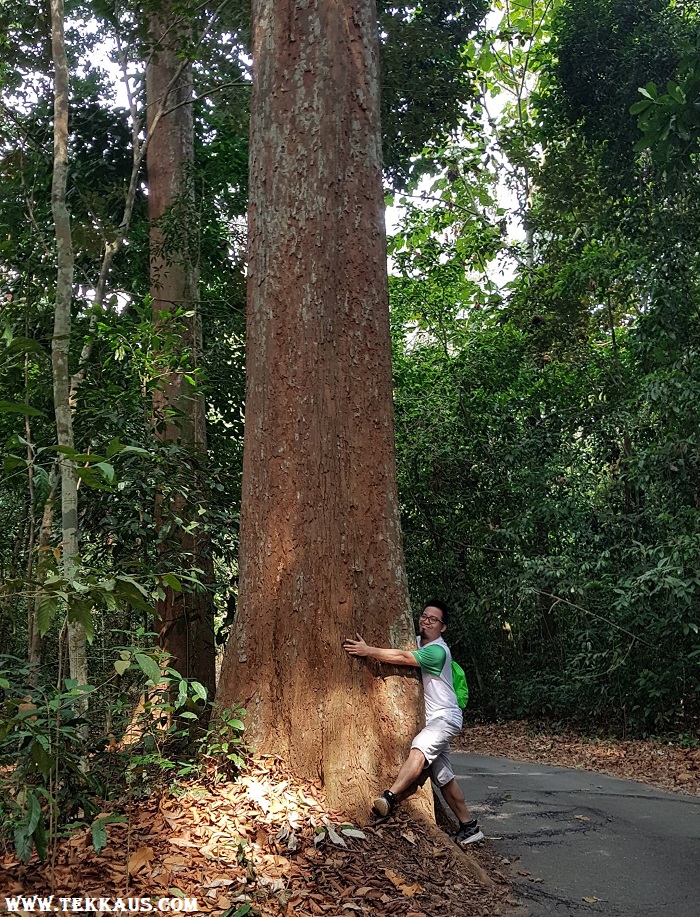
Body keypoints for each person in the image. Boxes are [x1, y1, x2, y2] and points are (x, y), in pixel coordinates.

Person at [343, 599, 484, 846]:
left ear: (443, 627)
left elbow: (401, 656)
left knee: (420, 746)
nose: (426, 621)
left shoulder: (439, 651)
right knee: (443, 776)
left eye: (433, 619)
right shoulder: (418, 641)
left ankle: (390, 797)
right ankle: (469, 826)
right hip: (434, 719)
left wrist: (368, 651)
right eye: (424, 616)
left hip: (444, 717)